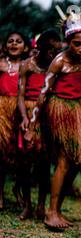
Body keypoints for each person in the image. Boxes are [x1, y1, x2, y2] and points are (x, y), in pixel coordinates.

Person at [28, 6, 81, 229]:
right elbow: (43, 93)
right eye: (77, 44)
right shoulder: (59, 61)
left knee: (76, 160)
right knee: (64, 160)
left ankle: (56, 209)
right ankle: (51, 212)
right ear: (69, 40)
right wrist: (32, 125)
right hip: (58, 113)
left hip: (78, 112)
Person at [16, 30, 62, 221]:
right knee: (25, 164)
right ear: (39, 48)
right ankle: (27, 205)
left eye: (56, 50)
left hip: (47, 116)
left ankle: (42, 206)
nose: (52, 54)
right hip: (27, 112)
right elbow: (20, 95)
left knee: (44, 165)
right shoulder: (27, 65)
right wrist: (25, 117)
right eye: (49, 50)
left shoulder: (57, 66)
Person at [0, 31, 29, 209]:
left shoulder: (28, 65)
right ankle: (0, 193)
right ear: (5, 46)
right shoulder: (1, 64)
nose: (14, 44)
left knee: (21, 156)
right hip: (2, 111)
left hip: (21, 111)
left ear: (25, 47)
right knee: (1, 154)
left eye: (18, 41)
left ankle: (18, 189)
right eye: (10, 41)